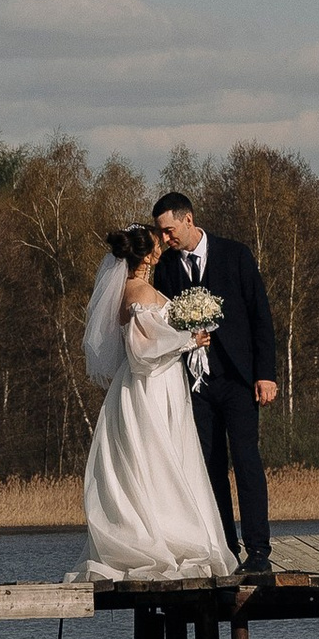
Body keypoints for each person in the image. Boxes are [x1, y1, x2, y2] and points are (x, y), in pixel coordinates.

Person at [82, 222, 236, 582]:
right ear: (148, 254)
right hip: (149, 386)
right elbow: (140, 352)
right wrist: (188, 340)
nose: (162, 248)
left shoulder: (139, 289)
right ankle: (166, 536)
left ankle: (168, 530)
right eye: (156, 244)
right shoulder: (137, 293)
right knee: (156, 456)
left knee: (160, 456)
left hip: (160, 383)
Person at [150, 190, 278, 576]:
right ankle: (225, 545)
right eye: (161, 234)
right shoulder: (168, 268)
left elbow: (261, 316)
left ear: (188, 220)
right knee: (209, 465)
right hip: (196, 383)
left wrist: (265, 373)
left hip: (238, 378)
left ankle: (258, 550)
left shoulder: (236, 254)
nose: (166, 240)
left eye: (169, 231)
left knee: (246, 460)